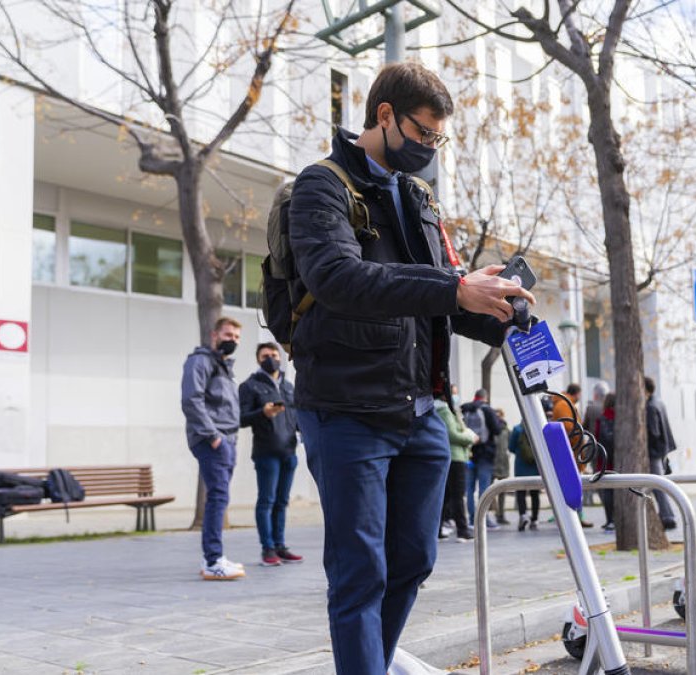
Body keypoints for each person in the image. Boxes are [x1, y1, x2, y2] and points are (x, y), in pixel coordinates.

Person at [286, 61, 535, 674]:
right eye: (423, 134)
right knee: (359, 571)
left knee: (413, 560)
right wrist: (455, 288)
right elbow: (338, 278)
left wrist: (503, 310)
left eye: (437, 139)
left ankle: (374, 660)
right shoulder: (322, 186)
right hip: (346, 408)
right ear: (385, 116)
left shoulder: (419, 198)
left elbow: (445, 303)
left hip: (422, 412)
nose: (429, 149)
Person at [181, 316, 245, 581]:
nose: (233, 341)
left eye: (237, 338)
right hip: (212, 441)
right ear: (214, 335)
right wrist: (214, 436)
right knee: (218, 498)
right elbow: (191, 400)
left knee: (220, 498)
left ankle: (215, 556)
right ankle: (213, 561)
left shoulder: (223, 367)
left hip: (227, 440)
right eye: (228, 335)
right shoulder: (200, 361)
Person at [238, 342, 303, 567]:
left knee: (282, 502)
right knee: (267, 500)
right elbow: (240, 418)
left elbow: (296, 417)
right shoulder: (250, 386)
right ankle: (268, 549)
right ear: (258, 359)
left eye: (274, 355)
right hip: (266, 453)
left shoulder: (287, 386)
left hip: (289, 452)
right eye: (266, 355)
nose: (271, 358)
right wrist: (262, 413)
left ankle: (280, 546)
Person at [461, 389, 506, 529]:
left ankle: (471, 519)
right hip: (485, 454)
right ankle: (484, 519)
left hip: (469, 452)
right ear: (485, 398)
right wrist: (501, 422)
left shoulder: (466, 409)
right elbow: (497, 429)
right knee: (484, 488)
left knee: (469, 488)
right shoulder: (487, 410)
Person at [435, 392, 477, 542]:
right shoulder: (445, 411)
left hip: (447, 456)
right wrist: (470, 437)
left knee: (444, 496)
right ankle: (463, 530)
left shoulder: (435, 410)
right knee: (458, 495)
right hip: (456, 457)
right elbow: (452, 434)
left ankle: (437, 529)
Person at [552, 383, 593, 527]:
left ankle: (576, 517)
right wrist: (580, 438)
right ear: (577, 393)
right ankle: (575, 517)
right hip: (570, 452)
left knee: (571, 485)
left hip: (571, 451)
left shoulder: (564, 404)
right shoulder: (564, 405)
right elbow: (570, 428)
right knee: (573, 485)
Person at [644, 377, 678, 530]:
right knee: (658, 484)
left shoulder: (650, 407)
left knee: (658, 485)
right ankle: (667, 515)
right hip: (662, 449)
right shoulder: (658, 402)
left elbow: (654, 432)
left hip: (654, 451)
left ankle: (668, 517)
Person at [510, 420, 542, 531]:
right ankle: (535, 519)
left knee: (520, 492)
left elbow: (511, 447)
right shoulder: (537, 429)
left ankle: (523, 515)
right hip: (535, 466)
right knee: (535, 493)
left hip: (520, 466)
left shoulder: (517, 429)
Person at [594, 392, 617, 531]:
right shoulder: (621, 417)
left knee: (607, 490)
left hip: (604, 459)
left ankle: (610, 520)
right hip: (618, 458)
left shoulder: (601, 418)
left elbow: (596, 438)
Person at [491, 408, 512, 525]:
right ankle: (495, 511)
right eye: (496, 416)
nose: (498, 418)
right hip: (492, 462)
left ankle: (501, 514)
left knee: (502, 490)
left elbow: (510, 445)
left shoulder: (506, 430)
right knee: (489, 490)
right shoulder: (491, 429)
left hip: (503, 462)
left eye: (500, 416)